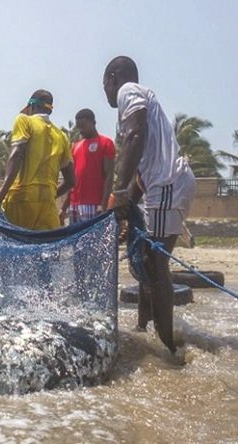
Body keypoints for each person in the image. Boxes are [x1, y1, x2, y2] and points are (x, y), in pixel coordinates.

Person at [103, 56, 195, 356]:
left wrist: (117, 191)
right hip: (157, 187)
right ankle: (144, 329)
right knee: (144, 259)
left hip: (167, 185)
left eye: (105, 84)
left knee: (156, 265)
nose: (105, 91)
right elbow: (139, 172)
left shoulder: (128, 91)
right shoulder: (140, 98)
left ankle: (169, 349)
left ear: (113, 78)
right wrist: (127, 204)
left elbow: (135, 136)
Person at [0, 90, 75, 230]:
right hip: (47, 204)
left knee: (16, 247)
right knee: (45, 248)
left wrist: (3, 190)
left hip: (20, 200)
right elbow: (71, 180)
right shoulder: (61, 136)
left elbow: (17, 153)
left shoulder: (24, 120)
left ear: (31, 106)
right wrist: (51, 195)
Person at [60, 109, 116, 224]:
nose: (80, 130)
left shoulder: (106, 143)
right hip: (75, 205)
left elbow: (109, 175)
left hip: (94, 204)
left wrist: (104, 204)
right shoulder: (75, 146)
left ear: (93, 123)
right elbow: (72, 179)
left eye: (83, 126)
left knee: (93, 241)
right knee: (75, 240)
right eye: (78, 126)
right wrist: (64, 207)